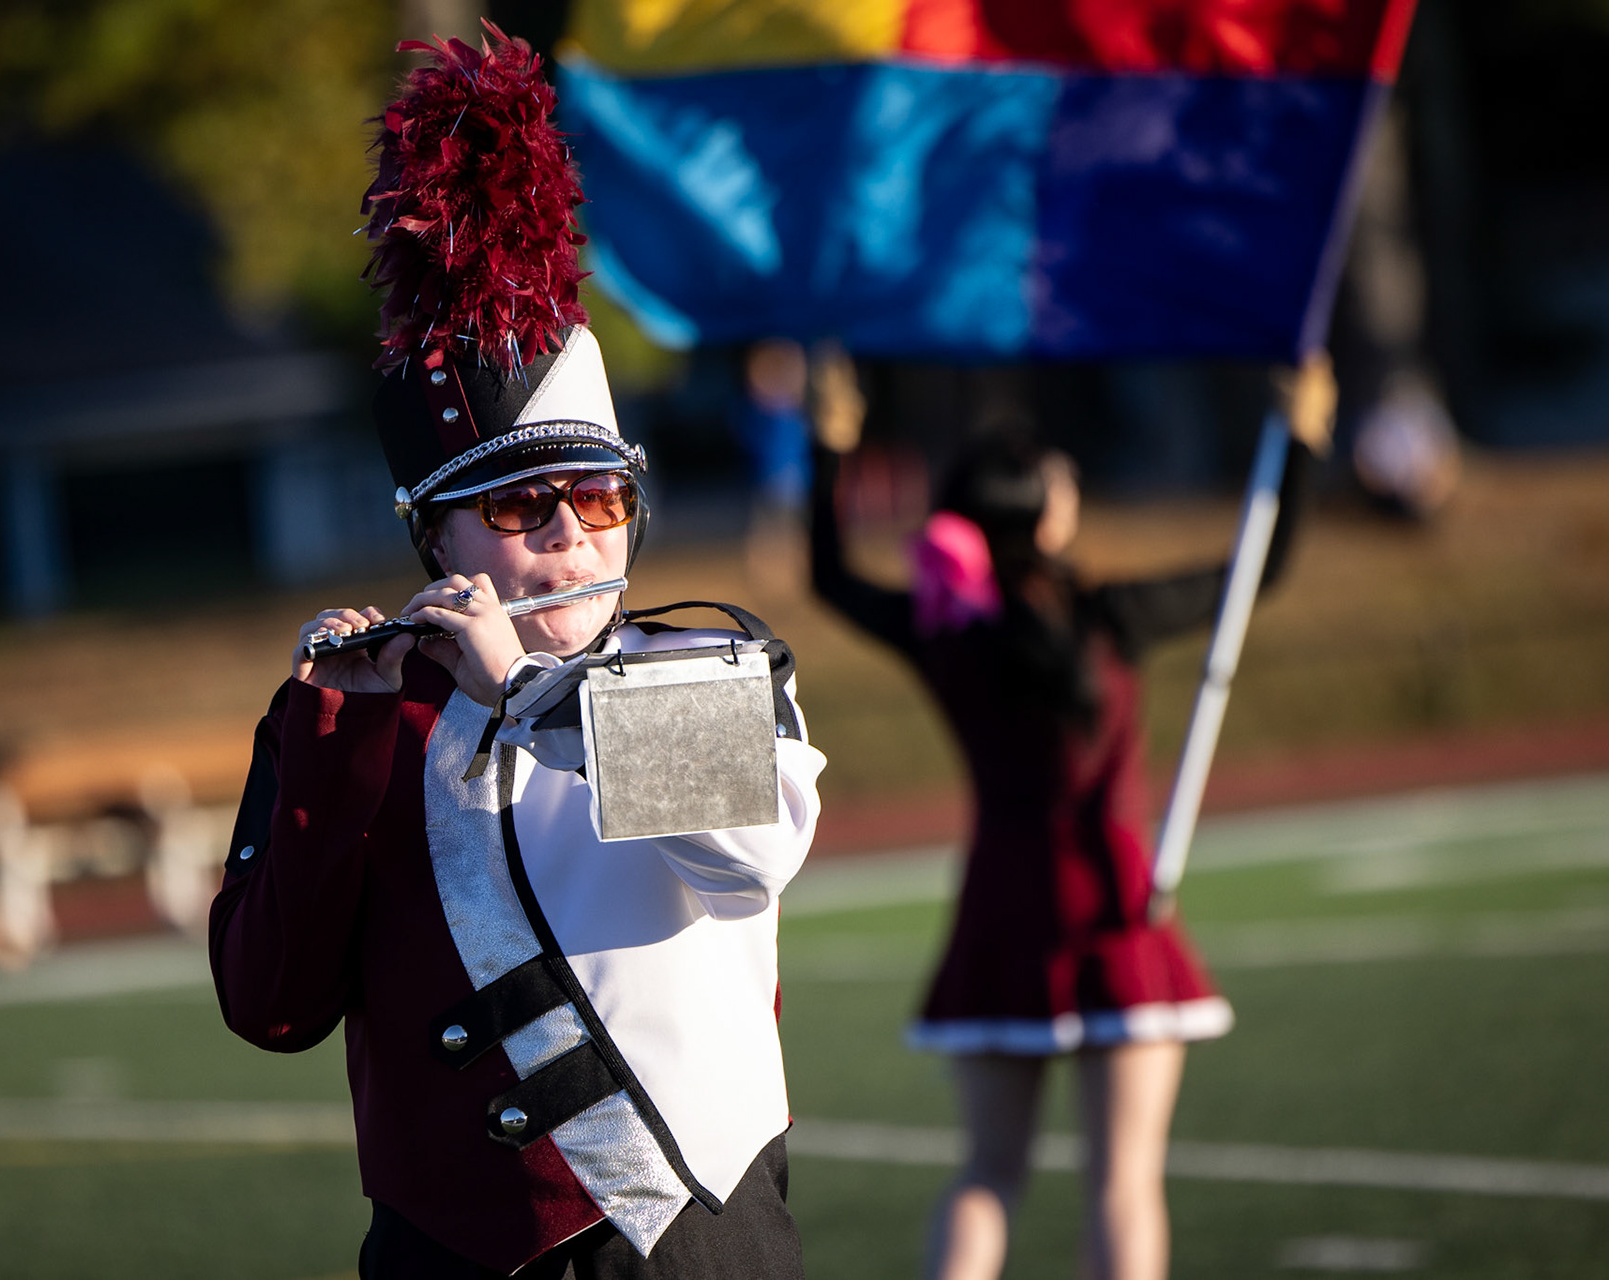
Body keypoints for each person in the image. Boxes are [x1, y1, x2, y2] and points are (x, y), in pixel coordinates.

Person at [209, 26, 825, 1279]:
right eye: (517, 507)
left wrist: (527, 689)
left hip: (696, 1246)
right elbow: (270, 1003)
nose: (568, 534)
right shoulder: (363, 708)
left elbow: (751, 854)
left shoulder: (712, 666)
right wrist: (337, 739)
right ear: (433, 535)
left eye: (597, 497)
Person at [809, 359, 1333, 1280]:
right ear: (1041, 511)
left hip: (1001, 913)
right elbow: (1264, 564)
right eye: (1061, 479)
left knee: (987, 1175)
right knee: (1124, 1185)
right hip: (1116, 907)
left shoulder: (943, 630)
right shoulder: (1107, 616)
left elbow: (826, 574)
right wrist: (1300, 441)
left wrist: (828, 447)